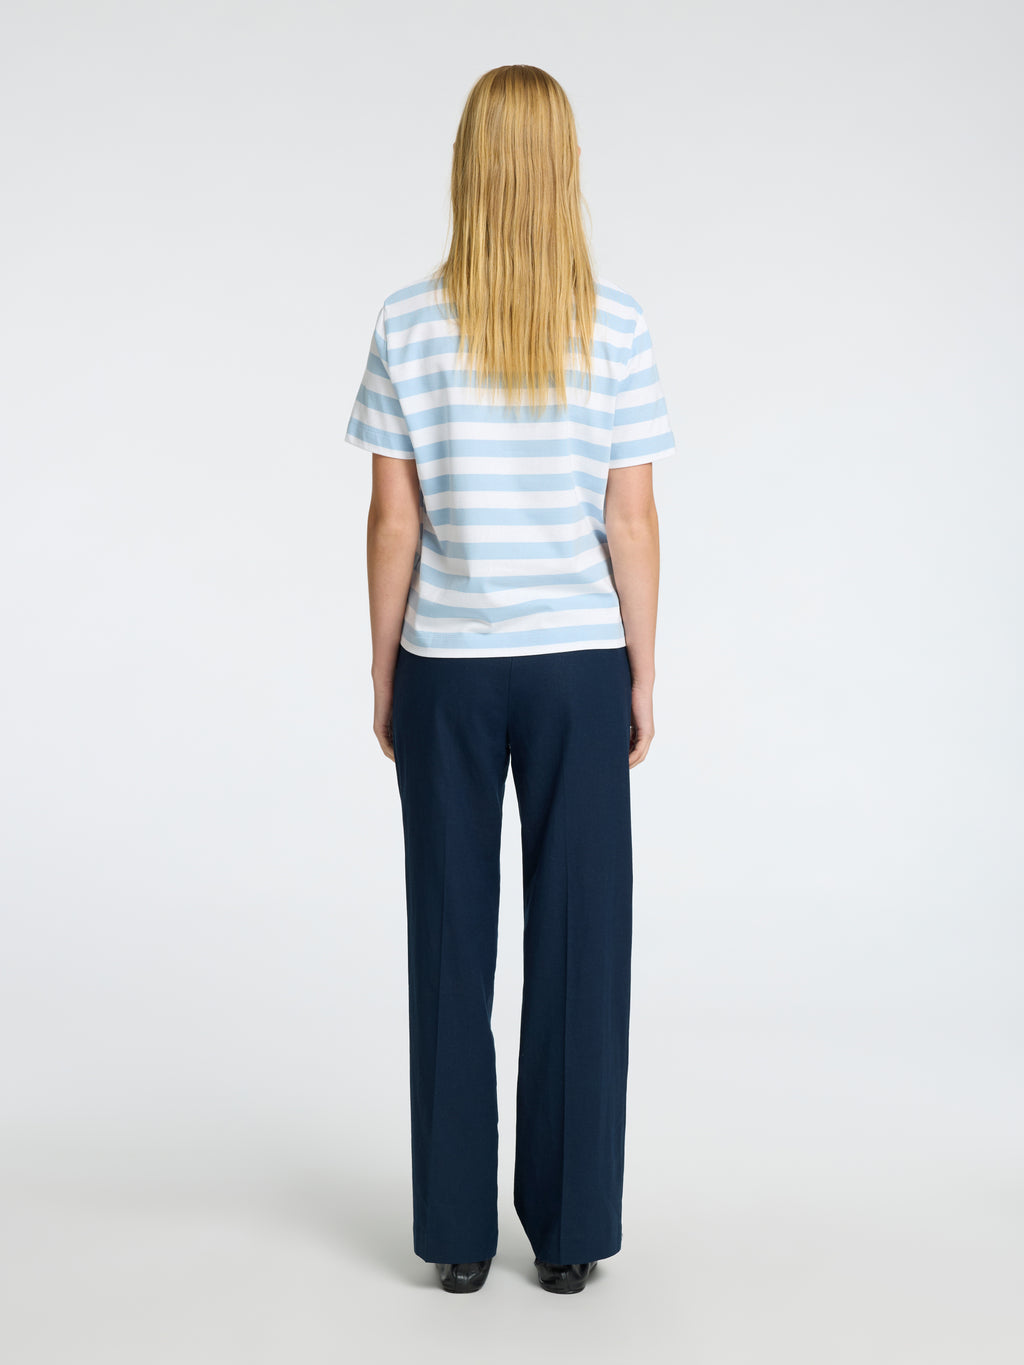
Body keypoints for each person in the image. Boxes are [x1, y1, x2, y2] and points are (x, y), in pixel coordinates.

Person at [344, 64, 675, 1296]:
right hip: (579, 667)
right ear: (564, 170)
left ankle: (455, 1236)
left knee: (449, 937)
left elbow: (394, 521)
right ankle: (571, 1230)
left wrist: (384, 669)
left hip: (449, 666)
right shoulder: (617, 326)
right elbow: (629, 520)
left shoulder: (407, 322)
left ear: (468, 168)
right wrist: (642, 671)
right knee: (582, 941)